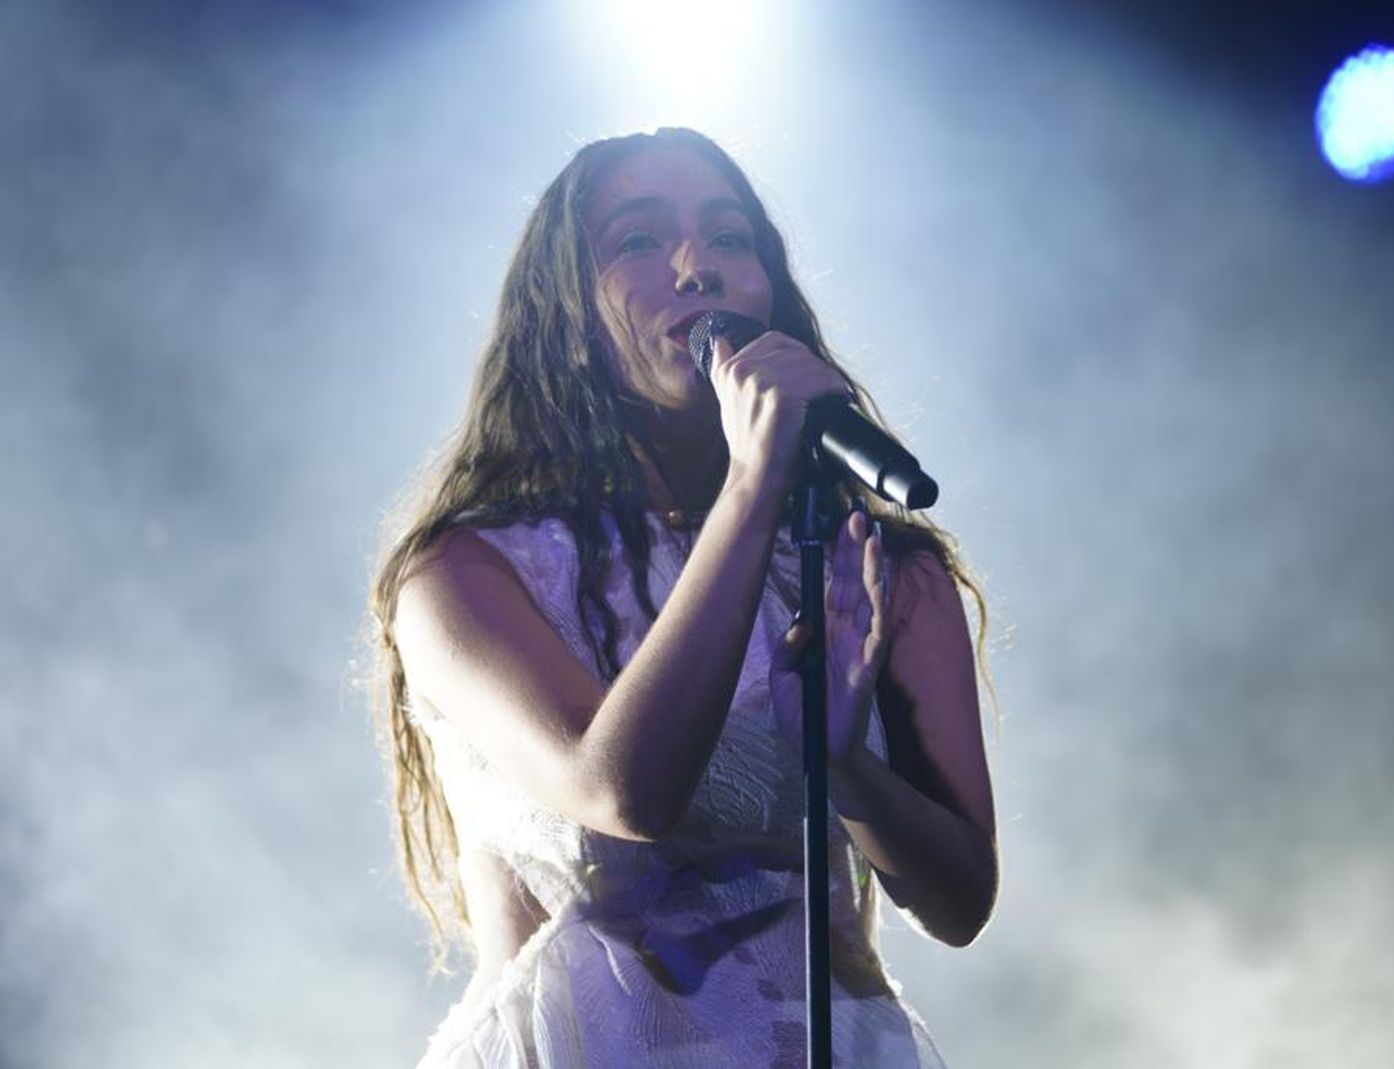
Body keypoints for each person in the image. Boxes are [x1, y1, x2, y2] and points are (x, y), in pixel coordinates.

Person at [366, 127, 998, 1068]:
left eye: (730, 239)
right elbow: (618, 789)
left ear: (770, 293)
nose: (695, 266)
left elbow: (959, 903)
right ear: (567, 312)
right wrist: (751, 488)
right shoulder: (463, 574)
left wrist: (850, 770)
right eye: (637, 240)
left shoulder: (874, 566)